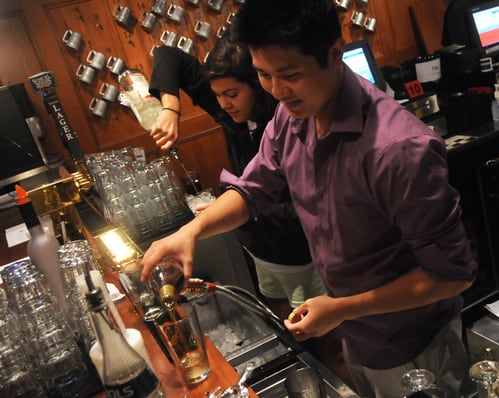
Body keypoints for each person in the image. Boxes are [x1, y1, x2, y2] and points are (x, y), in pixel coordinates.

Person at [141, 1, 478, 397]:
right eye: (263, 75)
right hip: (358, 335)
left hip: (415, 345)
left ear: (334, 53)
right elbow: (253, 190)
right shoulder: (292, 116)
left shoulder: (397, 149)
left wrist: (342, 308)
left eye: (290, 75)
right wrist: (193, 230)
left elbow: (452, 276)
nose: (277, 91)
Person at [148, 31, 327, 320]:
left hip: (298, 255)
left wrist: (234, 210)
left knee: (318, 334)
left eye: (231, 94)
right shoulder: (227, 107)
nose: (223, 104)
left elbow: (310, 206)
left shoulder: (287, 121)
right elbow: (167, 54)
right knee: (279, 317)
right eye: (218, 95)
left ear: (259, 85)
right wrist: (170, 108)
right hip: (259, 249)